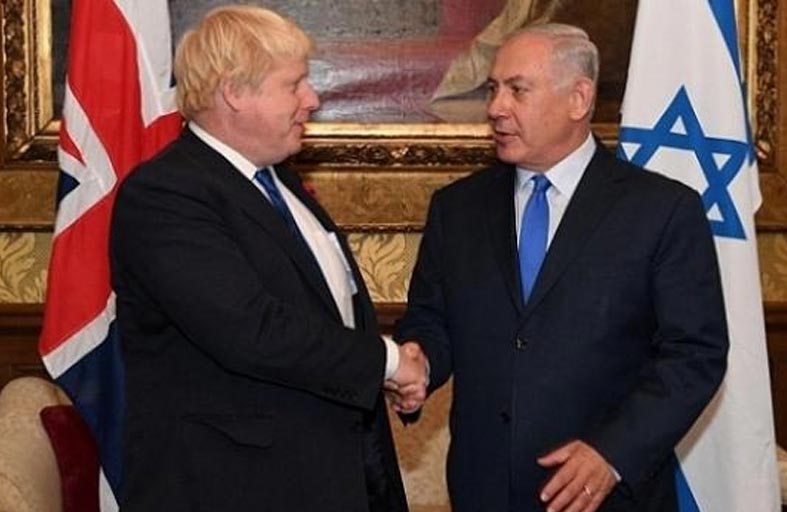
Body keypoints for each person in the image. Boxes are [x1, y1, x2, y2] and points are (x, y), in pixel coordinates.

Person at [394, 23, 728, 512]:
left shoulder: (661, 211)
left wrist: (612, 453)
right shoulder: (457, 209)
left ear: (578, 98)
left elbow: (695, 354)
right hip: (484, 492)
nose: (496, 107)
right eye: (493, 89)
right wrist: (420, 363)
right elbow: (431, 319)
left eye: (517, 90)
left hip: (606, 497)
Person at [110, 5, 426, 511]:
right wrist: (386, 361)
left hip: (328, 474)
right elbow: (251, 330)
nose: (312, 99)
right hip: (232, 489)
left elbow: (329, 311)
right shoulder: (166, 194)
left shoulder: (279, 182)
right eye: (294, 84)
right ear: (234, 91)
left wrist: (377, 375)